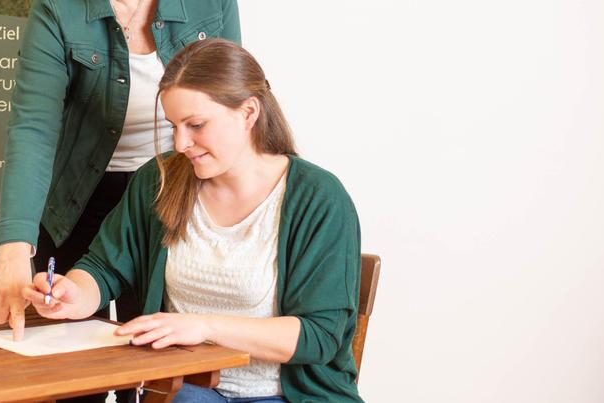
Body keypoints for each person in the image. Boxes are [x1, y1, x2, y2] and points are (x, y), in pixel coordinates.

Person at [0, 0, 242, 345]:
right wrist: (14, 251)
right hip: (80, 201)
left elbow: (230, 102)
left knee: (162, 359)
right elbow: (34, 128)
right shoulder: (56, 5)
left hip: (179, 192)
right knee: (72, 361)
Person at [22, 39, 363, 403]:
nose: (182, 143)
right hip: (189, 391)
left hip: (288, 396)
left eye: (196, 125)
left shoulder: (318, 198)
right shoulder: (159, 180)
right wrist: (74, 293)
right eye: (174, 126)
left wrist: (204, 326)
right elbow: (105, 267)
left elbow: (320, 336)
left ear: (249, 113)